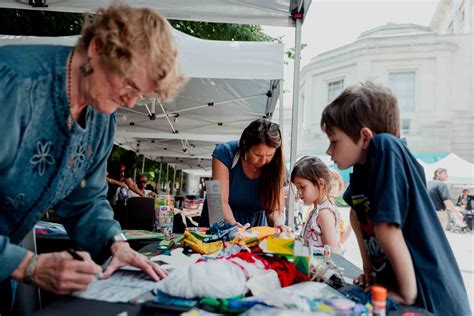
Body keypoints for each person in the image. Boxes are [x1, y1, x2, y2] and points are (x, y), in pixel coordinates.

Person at [0, 4, 185, 311]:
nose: (130, 100)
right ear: (97, 48)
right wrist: (28, 265)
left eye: (141, 93)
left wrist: (116, 244)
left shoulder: (102, 120)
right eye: (128, 83)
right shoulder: (14, 84)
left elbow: (86, 201)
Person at [320, 81, 470, 315]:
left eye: (334, 141)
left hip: (429, 296)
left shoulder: (385, 147)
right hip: (402, 292)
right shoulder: (362, 166)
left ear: (365, 137)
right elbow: (356, 214)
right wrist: (370, 272)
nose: (329, 151)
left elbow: (387, 225)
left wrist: (406, 293)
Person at [199, 118, 286, 229]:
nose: (264, 161)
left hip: (255, 227)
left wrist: (279, 223)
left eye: (269, 155)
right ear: (245, 147)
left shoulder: (277, 165)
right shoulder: (224, 153)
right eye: (258, 155)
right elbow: (217, 201)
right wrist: (233, 226)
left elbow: (276, 209)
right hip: (220, 223)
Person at [291, 156, 340, 253]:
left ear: (320, 183)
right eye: (297, 188)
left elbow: (333, 252)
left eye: (302, 187)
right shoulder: (317, 210)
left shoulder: (324, 213)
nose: (299, 193)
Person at [329, 169, 352, 244]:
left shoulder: (336, 211)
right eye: (328, 184)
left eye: (334, 185)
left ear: (339, 188)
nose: (331, 188)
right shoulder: (317, 207)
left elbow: (341, 240)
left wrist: (351, 224)